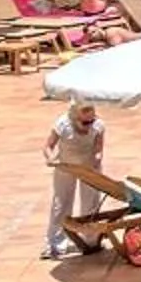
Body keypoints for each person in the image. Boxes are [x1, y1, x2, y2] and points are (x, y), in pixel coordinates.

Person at [42, 103, 106, 258]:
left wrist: (97, 158)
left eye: (91, 121)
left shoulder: (98, 126)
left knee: (90, 203)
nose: (89, 125)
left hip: (88, 166)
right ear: (74, 118)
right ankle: (55, 244)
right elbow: (48, 146)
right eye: (85, 122)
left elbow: (98, 148)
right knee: (61, 203)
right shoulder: (63, 125)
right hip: (66, 166)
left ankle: (90, 240)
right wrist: (50, 158)